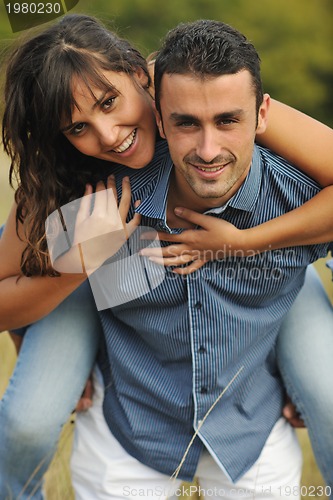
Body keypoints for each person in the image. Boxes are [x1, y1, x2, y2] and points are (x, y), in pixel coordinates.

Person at [0, 14, 332, 498]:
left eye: (110, 103)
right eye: (78, 127)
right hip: (95, 273)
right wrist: (84, 262)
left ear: (141, 76)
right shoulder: (66, 178)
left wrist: (243, 244)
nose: (110, 134)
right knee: (27, 419)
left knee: (327, 393)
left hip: (268, 254)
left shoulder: (197, 88)